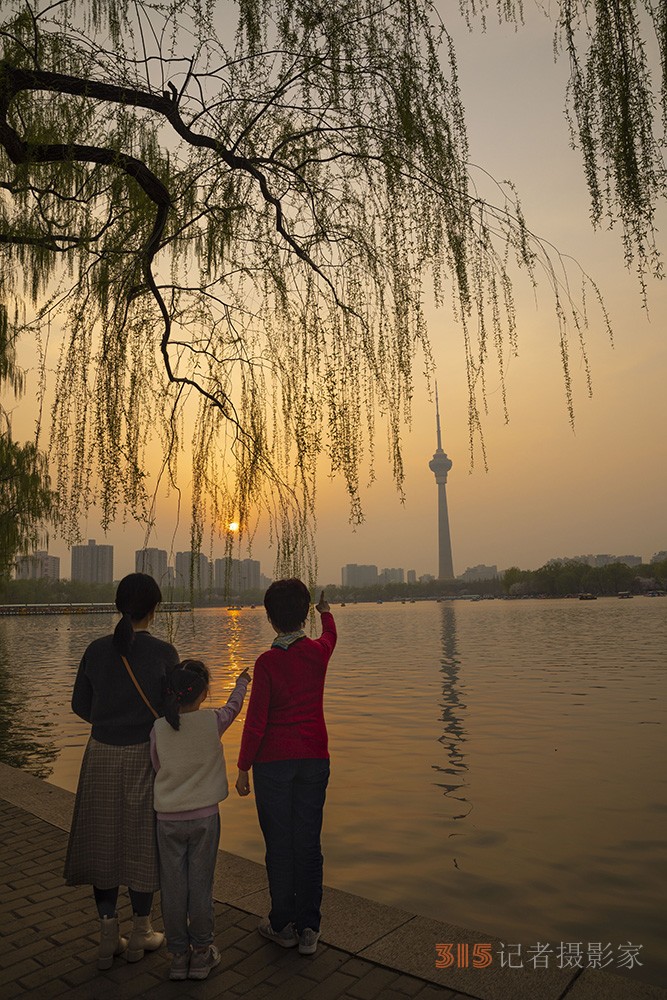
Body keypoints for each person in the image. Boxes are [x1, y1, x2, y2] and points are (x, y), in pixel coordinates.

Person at [64, 572, 180, 970]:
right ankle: (142, 930)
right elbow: (172, 710)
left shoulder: (96, 650)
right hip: (144, 755)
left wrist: (108, 721)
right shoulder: (164, 652)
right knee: (141, 842)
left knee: (103, 840)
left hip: (100, 753)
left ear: (118, 606)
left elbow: (80, 705)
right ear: (154, 608)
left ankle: (107, 934)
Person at [235, 580, 336, 955]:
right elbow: (330, 637)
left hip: (273, 765)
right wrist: (326, 613)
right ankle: (309, 928)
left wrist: (243, 766)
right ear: (304, 613)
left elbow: (256, 722)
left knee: (279, 844)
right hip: (314, 758)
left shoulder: (267, 662)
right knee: (308, 843)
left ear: (270, 618)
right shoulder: (317, 653)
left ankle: (282, 925)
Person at [150, 660, 250, 981]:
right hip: (205, 817)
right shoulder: (212, 721)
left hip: (168, 820)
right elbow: (234, 707)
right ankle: (202, 954)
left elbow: (157, 765)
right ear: (204, 693)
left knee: (173, 887)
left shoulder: (159, 727)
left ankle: (179, 956)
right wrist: (242, 682)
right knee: (201, 886)